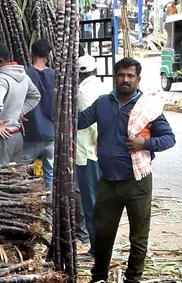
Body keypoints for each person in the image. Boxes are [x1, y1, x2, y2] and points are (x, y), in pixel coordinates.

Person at [77, 57, 176, 283]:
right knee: (102, 233)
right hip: (108, 181)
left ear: (138, 80)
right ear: (114, 77)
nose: (125, 80)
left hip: (137, 182)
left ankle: (132, 281)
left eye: (130, 76)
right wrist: (57, 104)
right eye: (121, 75)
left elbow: (169, 138)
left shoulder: (147, 107)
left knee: (138, 234)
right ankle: (99, 277)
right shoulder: (103, 103)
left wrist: (145, 142)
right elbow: (80, 121)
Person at [0, 43, 40, 164]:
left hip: (0, 139)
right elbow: (35, 96)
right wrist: (19, 112)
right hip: (16, 136)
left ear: (0, 61)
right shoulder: (24, 76)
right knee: (14, 176)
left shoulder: (1, 78)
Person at [75, 54, 106, 245]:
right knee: (96, 198)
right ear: (96, 70)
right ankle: (97, 242)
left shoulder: (83, 92)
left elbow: (94, 123)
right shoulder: (101, 86)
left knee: (91, 200)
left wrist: (98, 142)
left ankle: (95, 244)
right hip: (95, 151)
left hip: (88, 152)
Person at [23, 39, 55, 189]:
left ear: (32, 54)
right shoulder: (55, 75)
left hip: (31, 134)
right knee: (49, 177)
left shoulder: (25, 74)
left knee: (20, 173)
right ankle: (49, 212)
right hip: (50, 134)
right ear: (48, 56)